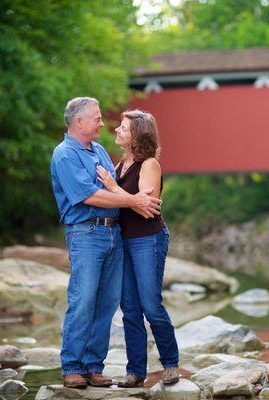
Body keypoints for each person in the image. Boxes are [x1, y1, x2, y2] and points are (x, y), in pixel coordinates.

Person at [51, 97, 162, 389]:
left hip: (114, 233)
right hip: (85, 233)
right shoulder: (64, 154)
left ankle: (92, 367)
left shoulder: (99, 150)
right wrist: (134, 200)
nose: (103, 123)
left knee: (107, 303)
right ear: (79, 122)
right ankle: (72, 366)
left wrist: (133, 198)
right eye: (97, 118)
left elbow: (116, 187)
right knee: (83, 299)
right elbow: (92, 196)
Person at [96, 110, 180, 387]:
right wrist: (118, 192)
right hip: (124, 241)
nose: (117, 131)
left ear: (138, 135)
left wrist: (111, 188)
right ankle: (135, 372)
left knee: (151, 306)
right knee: (130, 309)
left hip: (148, 239)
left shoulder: (149, 164)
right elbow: (133, 201)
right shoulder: (121, 164)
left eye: (123, 127)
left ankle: (170, 365)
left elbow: (145, 209)